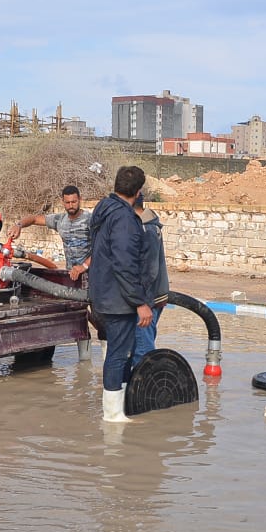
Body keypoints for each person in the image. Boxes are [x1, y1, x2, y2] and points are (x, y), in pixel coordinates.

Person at [87, 166, 152, 423]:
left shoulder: (104, 209)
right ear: (138, 192)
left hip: (102, 294)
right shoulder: (124, 219)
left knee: (121, 352)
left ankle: (119, 407)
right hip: (117, 299)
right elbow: (125, 264)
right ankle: (113, 415)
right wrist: (139, 302)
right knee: (118, 355)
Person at [8, 185, 92, 280]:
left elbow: (101, 248)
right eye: (67, 202)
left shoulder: (91, 220)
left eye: (74, 202)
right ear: (62, 202)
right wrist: (19, 225)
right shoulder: (60, 220)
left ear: (80, 199)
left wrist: (84, 266)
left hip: (91, 274)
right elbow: (34, 219)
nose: (71, 206)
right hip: (71, 275)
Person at [130, 192, 169, 370]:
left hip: (148, 299)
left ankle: (146, 383)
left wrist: (141, 302)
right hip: (151, 297)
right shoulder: (148, 225)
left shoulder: (147, 229)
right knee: (139, 346)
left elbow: (149, 270)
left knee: (142, 351)